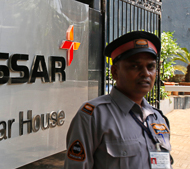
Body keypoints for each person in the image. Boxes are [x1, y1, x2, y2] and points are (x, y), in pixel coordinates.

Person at [64, 31, 172, 169]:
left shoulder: (158, 118)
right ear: (115, 72)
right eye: (135, 66)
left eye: (150, 66)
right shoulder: (93, 116)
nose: (145, 73)